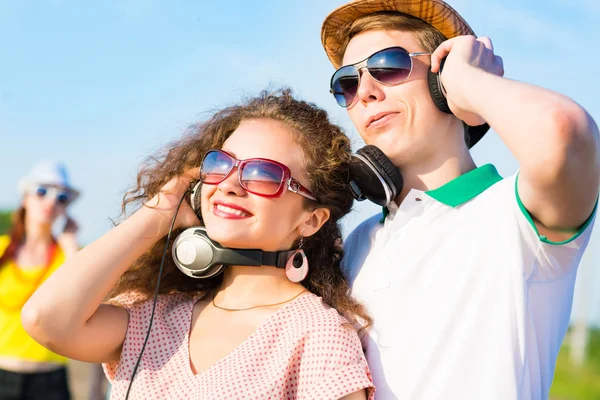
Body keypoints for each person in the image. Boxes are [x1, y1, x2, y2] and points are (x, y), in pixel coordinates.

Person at [320, 0, 599, 399]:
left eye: (388, 66)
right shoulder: (353, 246)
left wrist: (467, 78)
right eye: (347, 82)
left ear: (441, 80)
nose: (364, 91)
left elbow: (565, 134)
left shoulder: (517, 217)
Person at [22, 89, 375, 400]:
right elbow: (46, 320)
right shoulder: (156, 318)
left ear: (311, 219)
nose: (231, 184)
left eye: (264, 174)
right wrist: (159, 212)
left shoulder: (318, 337)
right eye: (221, 164)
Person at [0, 161, 80, 400]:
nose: (51, 201)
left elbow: (82, 306)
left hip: (50, 381)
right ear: (25, 198)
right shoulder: (3, 250)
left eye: (62, 197)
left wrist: (71, 247)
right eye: (42, 191)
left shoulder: (67, 258)